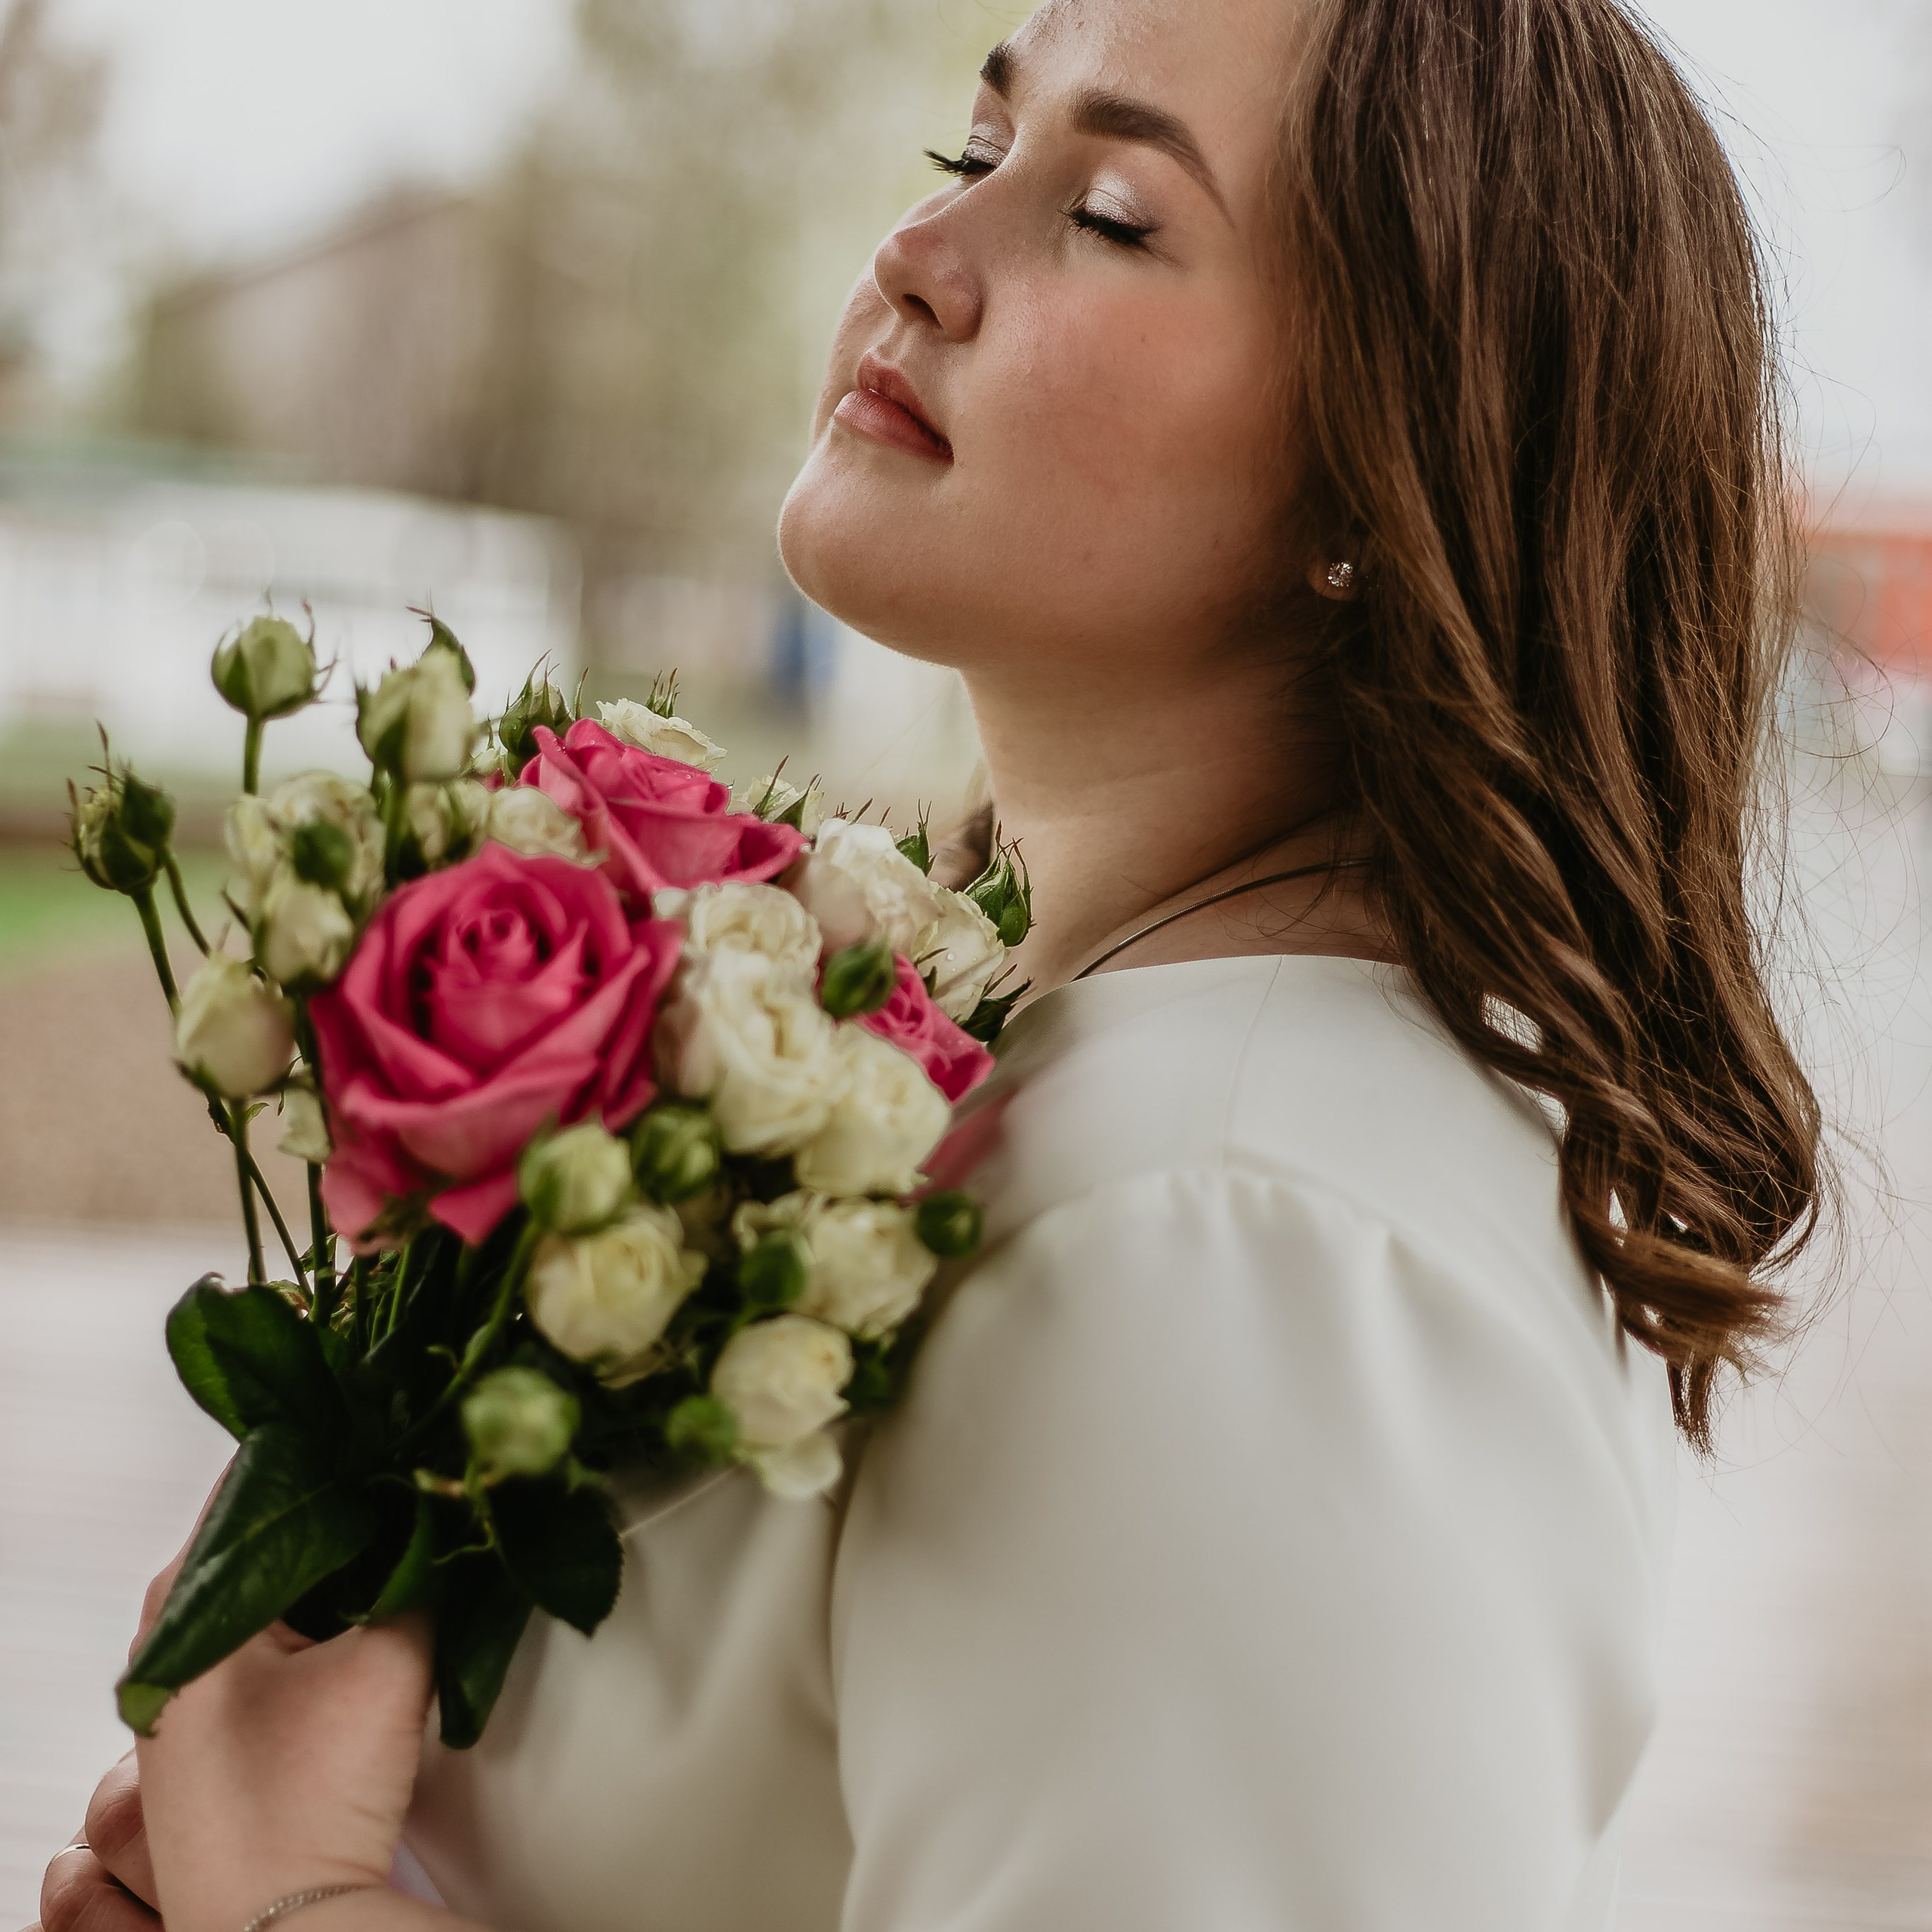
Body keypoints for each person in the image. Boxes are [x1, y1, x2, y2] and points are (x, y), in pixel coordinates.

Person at [38, 0, 1824, 1927]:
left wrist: (291, 1895)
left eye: (1115, 215)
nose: (918, 255)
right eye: (973, 157)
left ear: (1392, 467)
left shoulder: (1234, 1236)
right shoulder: (1051, 1088)